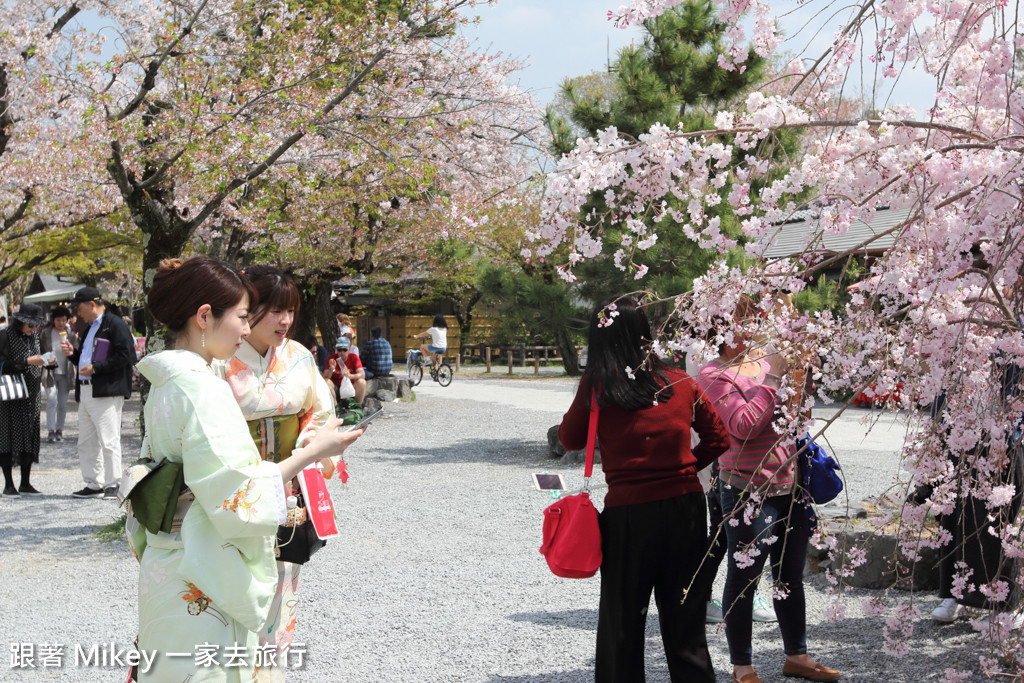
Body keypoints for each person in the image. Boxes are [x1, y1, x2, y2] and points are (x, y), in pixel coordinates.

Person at [128, 256, 361, 682]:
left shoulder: (165, 382)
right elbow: (240, 495)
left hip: (171, 556)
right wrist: (315, 452)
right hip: (208, 559)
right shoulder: (206, 388)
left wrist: (311, 439)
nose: (244, 327)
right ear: (204, 317)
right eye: (241, 316)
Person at [558, 296, 731, 683]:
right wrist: (685, 468)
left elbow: (569, 439)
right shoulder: (680, 380)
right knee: (685, 620)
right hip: (685, 509)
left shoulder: (599, 386)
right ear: (644, 335)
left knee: (623, 622)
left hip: (629, 515)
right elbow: (719, 438)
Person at [696, 295, 839, 683]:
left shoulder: (765, 359)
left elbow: (798, 416)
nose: (751, 325)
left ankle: (798, 655)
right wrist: (774, 376)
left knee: (789, 574)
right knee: (744, 578)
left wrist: (801, 375)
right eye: (741, 318)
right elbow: (741, 426)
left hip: (790, 483)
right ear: (718, 325)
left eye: (752, 317)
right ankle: (742, 665)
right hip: (745, 487)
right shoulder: (713, 374)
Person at [220, 265, 338, 681]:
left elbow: (320, 414)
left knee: (282, 583)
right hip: (231, 492)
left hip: (288, 492)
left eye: (290, 311)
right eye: (273, 310)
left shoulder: (300, 358)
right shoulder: (219, 359)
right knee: (230, 589)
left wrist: (311, 446)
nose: (284, 321)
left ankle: (269, 673)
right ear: (247, 308)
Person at [61, 286, 137, 499]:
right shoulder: (89, 328)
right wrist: (72, 355)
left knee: (108, 438)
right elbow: (85, 360)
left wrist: (97, 369)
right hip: (86, 390)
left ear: (91, 305)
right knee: (86, 440)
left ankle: (113, 483)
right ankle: (94, 483)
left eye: (79, 309)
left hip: (107, 389)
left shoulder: (114, 324)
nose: (77, 313)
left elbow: (127, 355)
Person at [0, 304, 48, 496]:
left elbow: (41, 356)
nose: (33, 329)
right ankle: (8, 483)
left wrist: (49, 362)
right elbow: (2, 364)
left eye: (35, 325)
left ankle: (25, 482)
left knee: (29, 435)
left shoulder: (36, 336)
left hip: (32, 393)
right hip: (10, 394)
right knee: (8, 437)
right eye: (30, 325)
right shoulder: (5, 335)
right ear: (20, 321)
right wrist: (27, 362)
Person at [40, 305, 78, 443]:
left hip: (65, 373)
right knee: (51, 399)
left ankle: (59, 430)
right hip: (49, 372)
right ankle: (51, 430)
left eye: (63, 320)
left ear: (67, 320)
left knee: (62, 403)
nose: (61, 323)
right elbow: (41, 350)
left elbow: (76, 351)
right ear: (53, 320)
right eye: (58, 320)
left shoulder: (71, 335)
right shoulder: (46, 333)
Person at [324, 336, 366, 404]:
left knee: (362, 382)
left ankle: (357, 405)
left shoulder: (354, 357)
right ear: (336, 349)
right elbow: (325, 377)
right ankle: (334, 404)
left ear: (349, 348)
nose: (342, 352)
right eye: (339, 350)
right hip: (336, 388)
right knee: (326, 381)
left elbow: (362, 374)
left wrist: (351, 376)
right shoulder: (331, 358)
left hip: (351, 387)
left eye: (344, 349)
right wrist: (331, 369)